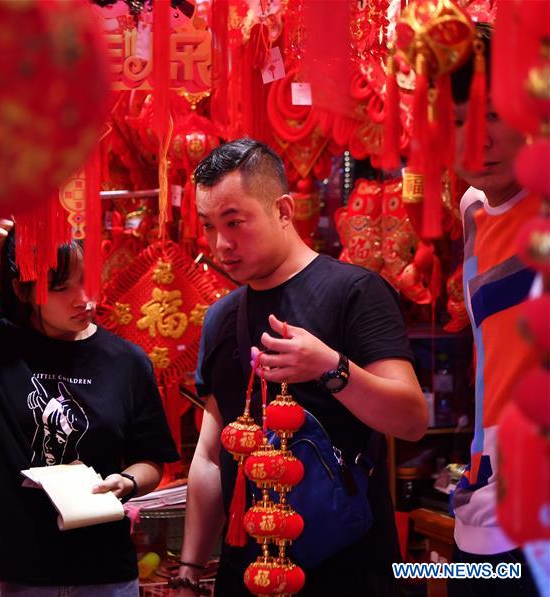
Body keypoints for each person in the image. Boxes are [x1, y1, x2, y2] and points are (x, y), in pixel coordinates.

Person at [174, 139, 427, 596]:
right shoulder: (221, 318)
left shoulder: (355, 292)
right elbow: (210, 457)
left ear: (284, 211)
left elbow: (411, 419)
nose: (220, 244)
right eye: (209, 225)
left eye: (235, 222)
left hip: (347, 570)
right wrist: (190, 568)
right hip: (247, 572)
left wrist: (329, 366)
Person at [0, 220, 179, 596]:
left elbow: (150, 460)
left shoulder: (126, 361)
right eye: (62, 287)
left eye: (87, 280)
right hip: (6, 574)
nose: (84, 298)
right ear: (23, 289)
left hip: (103, 573)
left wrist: (126, 482)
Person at [448, 23, 541, 597]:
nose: (477, 140)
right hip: (482, 509)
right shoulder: (472, 209)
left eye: (493, 115)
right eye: (457, 121)